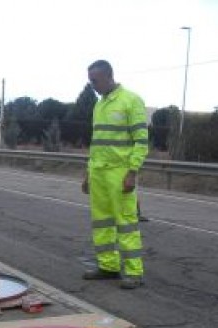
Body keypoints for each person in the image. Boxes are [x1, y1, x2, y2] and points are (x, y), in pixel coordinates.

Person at [81, 60, 148, 289]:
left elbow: (141, 141)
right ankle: (108, 267)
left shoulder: (131, 100)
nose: (92, 85)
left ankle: (134, 272)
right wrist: (88, 173)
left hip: (120, 173)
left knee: (126, 222)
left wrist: (132, 172)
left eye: (95, 80)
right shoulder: (99, 105)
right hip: (98, 172)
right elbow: (96, 142)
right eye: (90, 80)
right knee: (101, 222)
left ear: (109, 76)